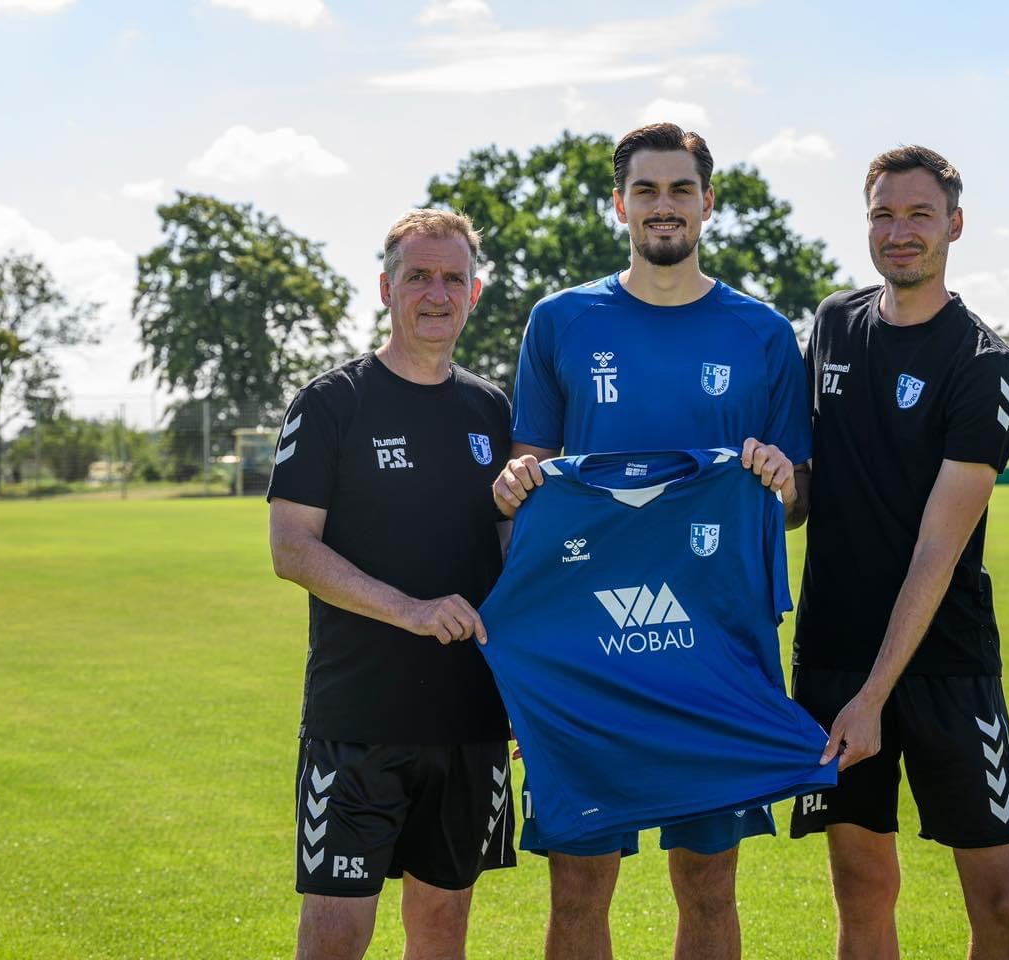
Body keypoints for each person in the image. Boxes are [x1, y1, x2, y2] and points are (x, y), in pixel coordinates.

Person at [492, 122, 812, 960]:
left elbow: (796, 500)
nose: (662, 206)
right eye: (646, 190)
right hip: (588, 646)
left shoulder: (765, 334)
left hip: (712, 640)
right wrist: (515, 483)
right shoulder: (560, 321)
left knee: (709, 886)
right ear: (619, 203)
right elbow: (529, 471)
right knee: (577, 888)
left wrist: (783, 480)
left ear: (708, 202)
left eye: (679, 190)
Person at [792, 145, 1009, 960]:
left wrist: (873, 695)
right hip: (832, 654)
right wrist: (762, 479)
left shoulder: (984, 365)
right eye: (884, 214)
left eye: (919, 214)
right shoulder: (830, 323)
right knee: (861, 889)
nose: (900, 231)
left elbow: (937, 550)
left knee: (1001, 901)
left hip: (944, 663)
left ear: (954, 226)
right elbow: (800, 494)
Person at [268, 209, 515, 960]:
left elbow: (513, 556)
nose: (436, 293)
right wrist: (409, 611)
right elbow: (292, 550)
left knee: (442, 928)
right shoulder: (332, 402)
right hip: (360, 720)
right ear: (385, 287)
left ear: (474, 292)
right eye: (418, 277)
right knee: (337, 933)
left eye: (453, 278)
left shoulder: (492, 409)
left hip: (471, 721)